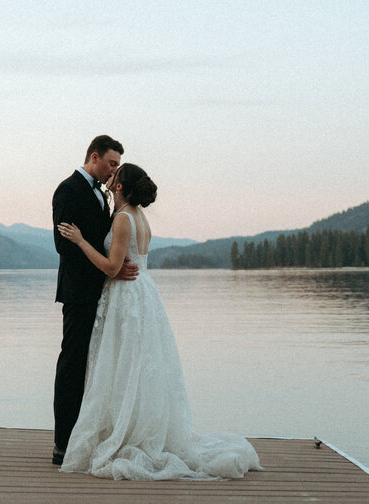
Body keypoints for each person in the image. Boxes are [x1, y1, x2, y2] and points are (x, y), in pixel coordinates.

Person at [56, 163, 262, 480]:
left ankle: (128, 433)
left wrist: (82, 241)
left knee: (125, 366)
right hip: (142, 294)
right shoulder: (139, 217)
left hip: (127, 297)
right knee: (136, 366)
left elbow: (112, 268)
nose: (110, 178)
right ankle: (134, 428)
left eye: (115, 175)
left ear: (121, 187)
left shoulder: (124, 219)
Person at [51, 135, 138, 465]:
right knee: (72, 364)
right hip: (78, 292)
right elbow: (64, 246)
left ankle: (86, 437)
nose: (114, 170)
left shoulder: (103, 196)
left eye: (117, 165)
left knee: (95, 367)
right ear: (95, 156)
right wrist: (108, 271)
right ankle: (62, 444)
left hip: (101, 293)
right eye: (111, 163)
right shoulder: (68, 190)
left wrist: (114, 266)